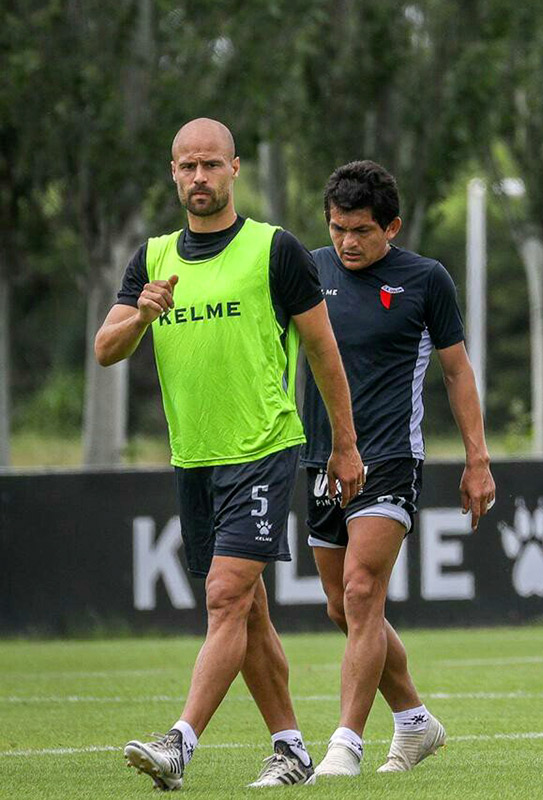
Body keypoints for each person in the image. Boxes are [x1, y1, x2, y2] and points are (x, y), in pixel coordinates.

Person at [94, 118, 365, 790]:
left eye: (210, 165)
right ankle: (291, 747)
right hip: (195, 458)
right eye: (186, 167)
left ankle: (180, 743)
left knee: (224, 597)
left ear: (235, 169)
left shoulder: (274, 250)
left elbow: (324, 352)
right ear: (173, 173)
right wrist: (141, 313)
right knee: (248, 610)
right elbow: (105, 349)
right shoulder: (153, 258)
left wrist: (345, 446)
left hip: (264, 446)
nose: (198, 178)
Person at [301, 161, 496, 781]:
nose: (347, 242)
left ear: (393, 227)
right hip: (320, 459)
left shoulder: (425, 280)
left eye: (361, 230)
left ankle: (344, 746)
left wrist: (477, 459)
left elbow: (458, 371)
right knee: (340, 606)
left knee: (362, 591)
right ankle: (414, 721)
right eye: (337, 229)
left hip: (390, 458)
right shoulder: (306, 271)